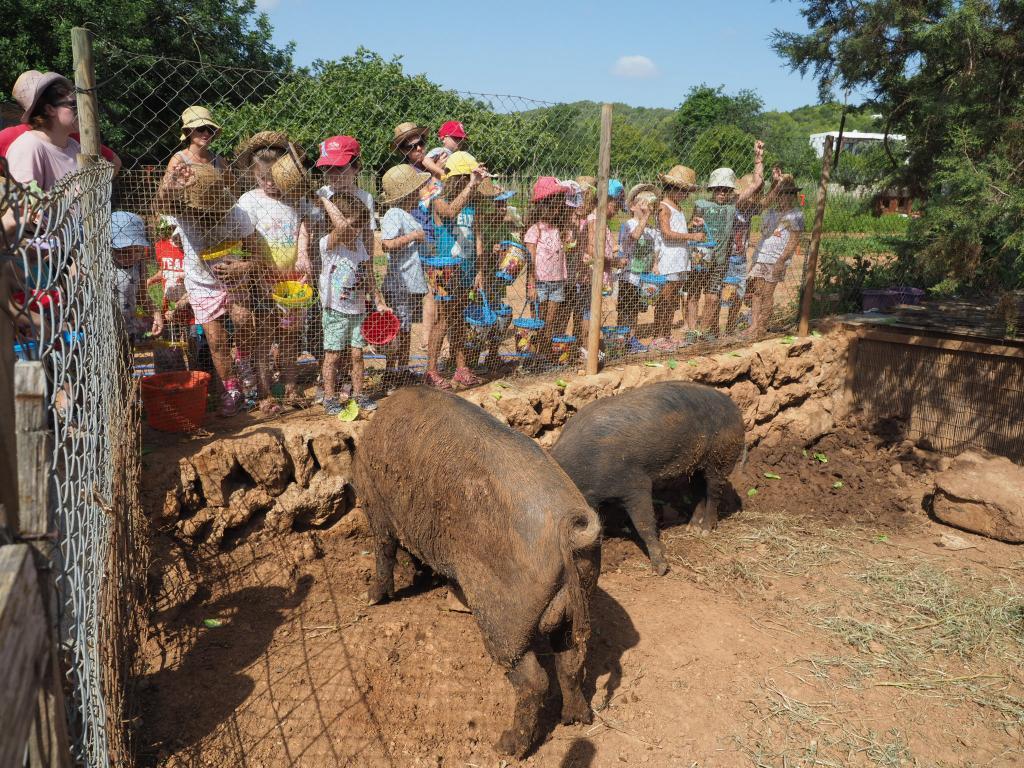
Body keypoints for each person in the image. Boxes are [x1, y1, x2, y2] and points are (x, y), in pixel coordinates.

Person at [155, 162, 277, 417]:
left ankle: (246, 372)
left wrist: (243, 266)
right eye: (203, 209)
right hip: (201, 283)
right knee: (217, 340)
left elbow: (255, 251)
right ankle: (231, 390)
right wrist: (169, 183)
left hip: (233, 278)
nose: (207, 213)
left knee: (244, 321)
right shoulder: (183, 211)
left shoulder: (237, 214)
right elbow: (160, 205)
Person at [236, 132, 313, 407]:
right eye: (263, 178)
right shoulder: (250, 201)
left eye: (275, 178)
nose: (270, 184)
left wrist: (303, 253)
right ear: (254, 175)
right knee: (265, 337)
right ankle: (266, 390)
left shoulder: (296, 199)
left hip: (293, 280)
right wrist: (261, 275)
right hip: (264, 280)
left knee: (291, 336)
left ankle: (290, 386)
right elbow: (249, 240)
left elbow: (304, 224)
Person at [425, 151, 490, 389]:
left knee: (459, 320)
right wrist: (471, 185)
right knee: (442, 320)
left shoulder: (473, 204)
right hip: (445, 269)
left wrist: (480, 271)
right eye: (464, 178)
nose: (468, 183)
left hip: (467, 268)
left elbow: (478, 238)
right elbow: (451, 212)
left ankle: (461, 369)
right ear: (457, 178)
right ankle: (431, 371)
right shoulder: (438, 197)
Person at [317, 190, 386, 414]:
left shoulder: (360, 247)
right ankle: (329, 397)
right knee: (333, 355)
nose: (355, 231)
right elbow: (343, 229)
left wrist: (378, 302)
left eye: (360, 226)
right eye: (353, 225)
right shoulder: (328, 244)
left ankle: (359, 394)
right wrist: (324, 199)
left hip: (357, 310)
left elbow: (369, 277)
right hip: (335, 310)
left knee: (357, 354)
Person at [693, 140, 765, 338]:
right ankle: (704, 331)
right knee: (701, 296)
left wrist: (758, 158)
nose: (722, 193)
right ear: (712, 190)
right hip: (704, 259)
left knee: (716, 297)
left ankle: (709, 332)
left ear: (731, 191)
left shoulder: (733, 204)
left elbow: (757, 183)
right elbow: (695, 229)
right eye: (718, 189)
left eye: (725, 189)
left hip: (723, 261)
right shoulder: (703, 205)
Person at [378, 164, 431, 388]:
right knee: (397, 327)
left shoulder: (408, 214)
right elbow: (386, 244)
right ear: (409, 191)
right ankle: (391, 372)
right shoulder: (393, 214)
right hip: (399, 282)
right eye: (417, 187)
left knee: (406, 327)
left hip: (411, 282)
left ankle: (402, 369)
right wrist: (413, 236)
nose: (421, 190)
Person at [651, 165, 705, 351]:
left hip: (680, 259)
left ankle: (666, 334)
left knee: (673, 299)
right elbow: (666, 233)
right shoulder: (663, 207)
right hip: (669, 260)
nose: (686, 195)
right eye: (683, 191)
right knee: (665, 299)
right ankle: (659, 336)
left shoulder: (677, 206)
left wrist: (691, 225)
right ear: (672, 188)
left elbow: (678, 230)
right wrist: (692, 236)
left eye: (687, 191)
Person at [747, 174, 804, 338]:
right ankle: (753, 325)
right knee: (757, 292)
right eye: (781, 193)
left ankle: (762, 327)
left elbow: (793, 241)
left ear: (793, 196)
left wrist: (782, 260)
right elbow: (764, 233)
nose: (784, 197)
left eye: (788, 193)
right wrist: (773, 183)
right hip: (761, 256)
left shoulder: (796, 215)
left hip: (776, 259)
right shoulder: (769, 212)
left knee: (767, 293)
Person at [524, 176, 573, 364]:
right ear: (543, 205)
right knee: (538, 320)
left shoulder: (560, 229)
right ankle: (533, 355)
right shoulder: (535, 229)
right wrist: (531, 285)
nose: (557, 209)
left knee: (550, 321)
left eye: (558, 206)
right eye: (552, 205)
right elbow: (530, 259)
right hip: (540, 282)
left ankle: (544, 354)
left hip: (557, 281)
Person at [6, 71, 82, 191]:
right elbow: (24, 207)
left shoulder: (74, 146)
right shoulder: (29, 147)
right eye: (73, 105)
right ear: (50, 109)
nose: (81, 110)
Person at [574, 179, 626, 353]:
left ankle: (586, 346)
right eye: (616, 207)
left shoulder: (597, 219)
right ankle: (587, 348)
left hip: (594, 274)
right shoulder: (595, 220)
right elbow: (593, 251)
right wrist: (615, 261)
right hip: (591, 275)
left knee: (590, 311)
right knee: (589, 312)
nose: (616, 212)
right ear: (608, 201)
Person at [617, 184, 661, 353]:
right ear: (632, 207)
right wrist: (646, 216)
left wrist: (655, 265)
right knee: (624, 309)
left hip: (643, 276)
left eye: (649, 205)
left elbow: (655, 249)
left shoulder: (652, 229)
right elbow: (635, 236)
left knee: (635, 309)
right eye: (642, 204)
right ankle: (621, 338)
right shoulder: (628, 224)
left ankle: (632, 338)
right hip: (629, 274)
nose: (647, 208)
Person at [723, 172, 765, 335]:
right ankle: (713, 329)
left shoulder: (749, 210)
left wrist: (775, 185)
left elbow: (766, 202)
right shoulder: (731, 207)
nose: (750, 202)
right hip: (725, 259)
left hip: (740, 259)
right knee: (722, 295)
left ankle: (730, 328)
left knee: (738, 295)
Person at [160, 106, 230, 192]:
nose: (206, 133)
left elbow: (234, 187)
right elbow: (165, 190)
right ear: (189, 131)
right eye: (201, 128)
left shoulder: (219, 161)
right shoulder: (179, 159)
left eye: (211, 129)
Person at [110, 210, 155, 340]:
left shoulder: (140, 265)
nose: (131, 256)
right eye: (123, 250)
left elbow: (142, 297)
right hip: (108, 331)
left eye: (136, 250)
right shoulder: (106, 267)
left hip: (129, 330)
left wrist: (155, 313)